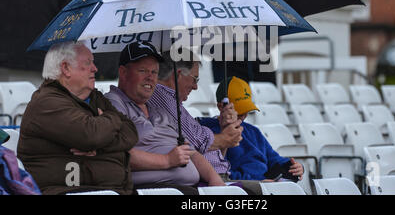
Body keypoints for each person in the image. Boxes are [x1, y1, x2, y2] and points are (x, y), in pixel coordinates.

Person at [17, 42, 138, 195]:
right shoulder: (46, 103)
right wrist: (111, 118)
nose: (95, 68)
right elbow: (90, 135)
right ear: (66, 68)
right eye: (88, 63)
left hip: (110, 189)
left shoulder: (95, 97)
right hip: (68, 190)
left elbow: (131, 133)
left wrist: (100, 146)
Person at [105, 41, 225, 195]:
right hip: (152, 189)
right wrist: (167, 160)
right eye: (143, 71)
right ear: (123, 72)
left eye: (154, 72)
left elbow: (191, 152)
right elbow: (118, 154)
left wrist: (215, 180)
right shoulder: (113, 103)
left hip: (190, 186)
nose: (150, 78)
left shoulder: (158, 110)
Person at [149, 51, 263, 195]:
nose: (195, 86)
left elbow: (207, 150)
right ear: (178, 75)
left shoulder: (171, 101)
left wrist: (224, 133)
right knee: (266, 191)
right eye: (195, 79)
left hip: (216, 179)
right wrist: (226, 137)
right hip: (208, 183)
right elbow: (198, 144)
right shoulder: (165, 101)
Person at [199, 76, 304, 182]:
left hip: (267, 183)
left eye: (246, 110)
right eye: (239, 111)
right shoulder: (209, 133)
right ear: (221, 107)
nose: (244, 115)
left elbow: (273, 159)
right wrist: (259, 182)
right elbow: (222, 173)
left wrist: (293, 167)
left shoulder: (253, 131)